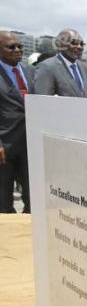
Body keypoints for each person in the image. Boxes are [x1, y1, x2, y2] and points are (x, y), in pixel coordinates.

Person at [0, 30, 34, 213]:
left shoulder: (30, 71)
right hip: (5, 146)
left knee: (32, 196)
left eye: (20, 46)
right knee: (4, 199)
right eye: (11, 47)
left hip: (30, 144)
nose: (17, 50)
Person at [35, 28, 87, 97]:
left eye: (81, 44)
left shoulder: (85, 68)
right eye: (74, 43)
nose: (79, 47)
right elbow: (43, 100)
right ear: (61, 45)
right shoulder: (47, 67)